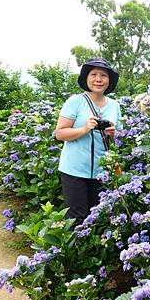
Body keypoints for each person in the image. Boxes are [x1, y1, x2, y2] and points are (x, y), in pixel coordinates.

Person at [55, 58, 121, 226]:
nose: (98, 79)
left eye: (103, 75)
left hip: (101, 170)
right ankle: (77, 252)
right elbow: (60, 133)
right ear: (86, 78)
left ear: (109, 80)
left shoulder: (114, 106)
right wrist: (84, 129)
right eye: (93, 74)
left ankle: (93, 251)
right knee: (77, 218)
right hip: (74, 170)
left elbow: (118, 139)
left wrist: (114, 134)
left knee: (98, 216)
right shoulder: (75, 101)